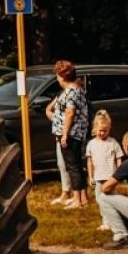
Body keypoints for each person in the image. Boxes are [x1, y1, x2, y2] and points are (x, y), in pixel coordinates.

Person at [44, 60, 90, 208]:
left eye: (57, 75)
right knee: (75, 164)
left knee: (73, 166)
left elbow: (70, 113)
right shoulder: (75, 89)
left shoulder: (71, 91)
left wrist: (64, 134)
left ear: (61, 76)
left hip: (71, 133)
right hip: (73, 132)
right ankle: (82, 198)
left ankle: (77, 199)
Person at [85, 110, 126, 233]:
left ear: (109, 129)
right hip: (98, 177)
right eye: (100, 131)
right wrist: (90, 176)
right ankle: (106, 220)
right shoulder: (91, 144)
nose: (102, 133)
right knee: (100, 200)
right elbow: (89, 162)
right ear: (95, 129)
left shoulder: (113, 143)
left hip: (110, 177)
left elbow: (119, 158)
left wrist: (118, 174)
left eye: (105, 131)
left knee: (112, 199)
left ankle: (112, 221)